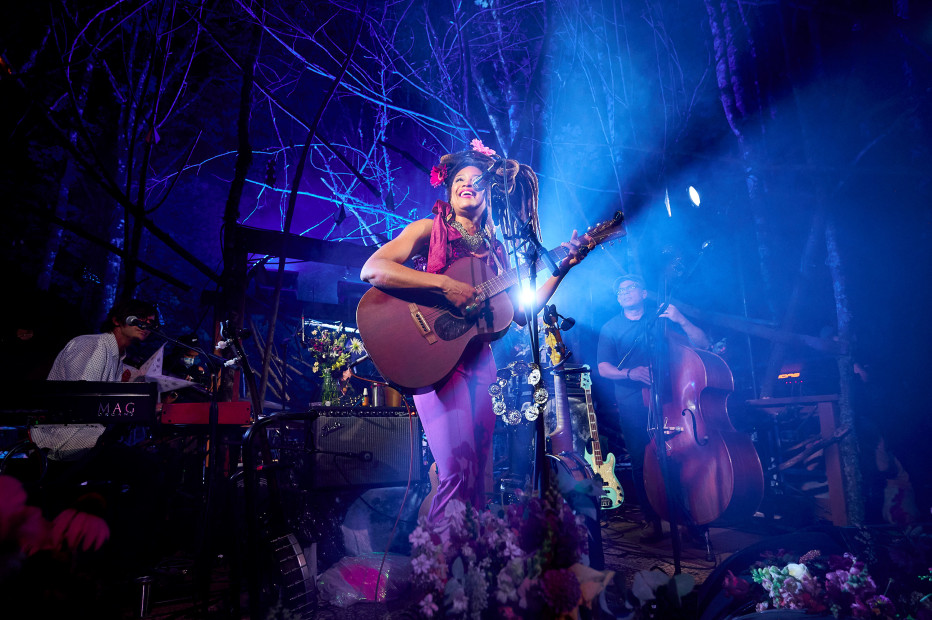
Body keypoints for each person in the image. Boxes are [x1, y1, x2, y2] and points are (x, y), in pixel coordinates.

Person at [360, 140, 587, 522]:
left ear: (489, 192)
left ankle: (471, 566)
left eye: (476, 180)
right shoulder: (427, 229)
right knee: (454, 472)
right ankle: (441, 573)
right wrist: (444, 286)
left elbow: (519, 313)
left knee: (479, 477)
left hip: (480, 365)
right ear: (449, 191)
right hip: (433, 360)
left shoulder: (500, 254)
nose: (468, 184)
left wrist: (562, 267)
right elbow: (373, 269)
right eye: (459, 180)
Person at [596, 274, 710, 541]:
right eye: (619, 290)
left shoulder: (662, 320)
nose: (623, 292)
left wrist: (681, 318)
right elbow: (603, 368)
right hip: (632, 404)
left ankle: (687, 518)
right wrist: (629, 374)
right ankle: (652, 520)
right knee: (641, 461)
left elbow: (703, 344)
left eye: (630, 287)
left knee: (678, 457)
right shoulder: (610, 327)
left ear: (644, 293)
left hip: (672, 401)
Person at [31, 299, 158, 460]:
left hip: (86, 439)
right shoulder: (93, 345)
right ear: (117, 320)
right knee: (143, 464)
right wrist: (139, 406)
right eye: (140, 318)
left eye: (151, 322)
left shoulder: (117, 358)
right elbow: (84, 400)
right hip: (62, 441)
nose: (146, 324)